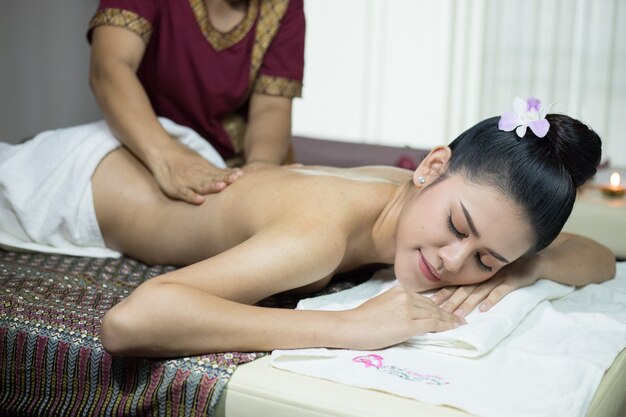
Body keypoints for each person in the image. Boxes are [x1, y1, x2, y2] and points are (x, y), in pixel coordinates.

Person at [0, 98, 616, 358]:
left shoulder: (409, 197)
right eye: (458, 228)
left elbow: (598, 258)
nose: (456, 263)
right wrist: (344, 327)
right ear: (431, 167)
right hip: (75, 183)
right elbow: (129, 322)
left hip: (193, 170)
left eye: (486, 259)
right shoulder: (317, 237)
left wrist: (519, 266)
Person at [87, 0, 305, 205]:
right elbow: (109, 67)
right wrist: (168, 158)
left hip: (233, 159)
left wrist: (261, 165)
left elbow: (271, 107)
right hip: (148, 142)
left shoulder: (282, 5)